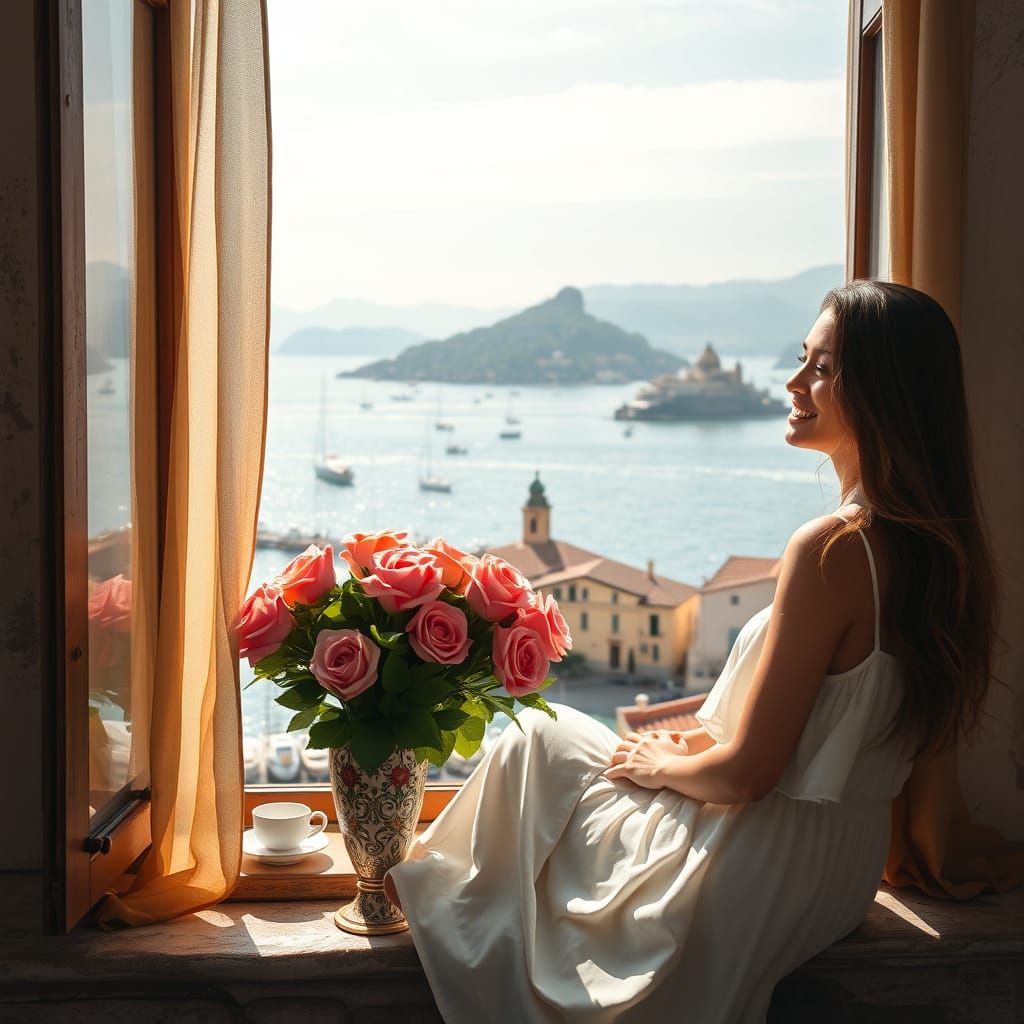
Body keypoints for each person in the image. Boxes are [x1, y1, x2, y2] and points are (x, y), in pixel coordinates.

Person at [385, 281, 999, 1023]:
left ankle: (433, 908)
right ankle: (439, 900)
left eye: (823, 367)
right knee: (565, 744)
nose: (793, 382)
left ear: (886, 388)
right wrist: (682, 747)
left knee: (535, 734)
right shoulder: (940, 551)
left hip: (762, 858)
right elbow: (812, 730)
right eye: (802, 360)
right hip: (839, 869)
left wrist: (660, 764)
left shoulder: (833, 549)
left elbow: (746, 774)